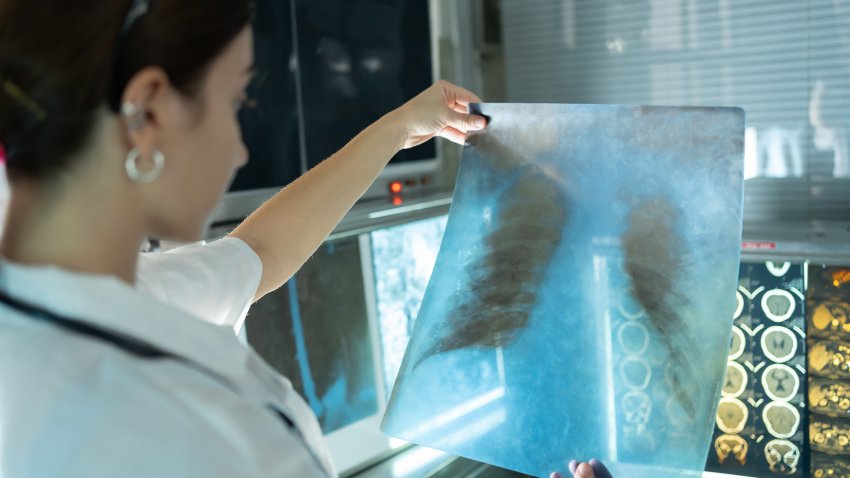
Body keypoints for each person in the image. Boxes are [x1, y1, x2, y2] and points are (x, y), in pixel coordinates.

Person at [0, 1, 610, 477]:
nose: (241, 147)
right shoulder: (147, 422)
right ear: (147, 111)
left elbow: (257, 256)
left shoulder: (111, 292)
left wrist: (398, 128)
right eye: (236, 100)